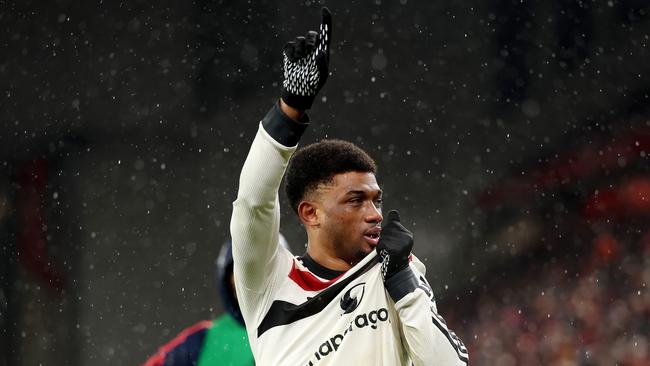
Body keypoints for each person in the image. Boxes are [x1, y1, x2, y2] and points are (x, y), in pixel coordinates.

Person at [230, 7, 468, 366]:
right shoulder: (270, 285)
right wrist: (290, 109)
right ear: (311, 213)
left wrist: (403, 281)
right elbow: (253, 203)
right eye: (355, 201)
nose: (375, 215)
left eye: (376, 200)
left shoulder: (393, 271)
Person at [142, 237, 293, 366]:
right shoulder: (204, 340)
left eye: (259, 267)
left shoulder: (309, 325)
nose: (248, 279)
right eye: (241, 267)